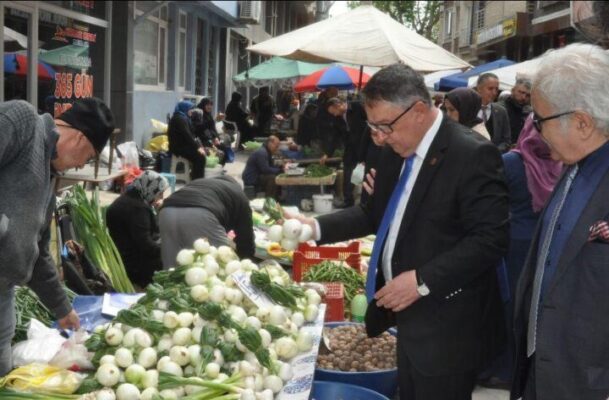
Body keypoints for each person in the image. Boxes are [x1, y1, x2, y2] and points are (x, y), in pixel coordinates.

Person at [295, 64, 509, 400]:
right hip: (404, 320)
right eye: (372, 127)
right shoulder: (395, 150)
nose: (378, 137)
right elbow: (373, 213)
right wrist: (316, 227)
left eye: (384, 127)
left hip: (447, 328)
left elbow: (490, 240)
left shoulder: (472, 154)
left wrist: (422, 280)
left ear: (419, 111)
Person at [512, 43, 609, 400]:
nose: (534, 131)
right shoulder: (571, 169)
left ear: (582, 122)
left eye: (540, 120)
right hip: (541, 371)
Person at [0, 97, 115, 375]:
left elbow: (37, 254)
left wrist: (62, 309)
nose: (79, 166)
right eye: (87, 158)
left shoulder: (49, 180)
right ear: (79, 138)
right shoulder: (23, 121)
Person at [158, 175, 255, 268]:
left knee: (172, 268)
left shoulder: (201, 182)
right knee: (218, 266)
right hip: (201, 214)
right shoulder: (238, 193)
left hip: (166, 212)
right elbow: (246, 236)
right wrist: (247, 263)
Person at [106, 171, 169, 287]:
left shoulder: (128, 198)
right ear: (150, 189)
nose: (160, 198)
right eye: (159, 194)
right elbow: (146, 245)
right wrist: (168, 250)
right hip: (134, 265)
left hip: (123, 256)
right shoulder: (137, 209)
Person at [325, 97, 369, 208]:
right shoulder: (337, 119)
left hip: (365, 146)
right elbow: (334, 137)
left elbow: (370, 122)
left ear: (339, 105)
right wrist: (327, 153)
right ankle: (348, 200)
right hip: (350, 149)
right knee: (348, 173)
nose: (334, 115)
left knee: (367, 173)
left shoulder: (357, 107)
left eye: (334, 111)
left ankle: (366, 200)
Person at [168, 100, 206, 180]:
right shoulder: (179, 119)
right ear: (185, 109)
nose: (192, 111)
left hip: (183, 145)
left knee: (202, 153)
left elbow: (192, 135)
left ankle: (196, 176)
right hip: (178, 148)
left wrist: (199, 146)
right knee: (200, 157)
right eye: (190, 109)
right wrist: (197, 148)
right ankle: (197, 180)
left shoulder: (184, 117)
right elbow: (187, 135)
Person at [476, 73, 512, 152]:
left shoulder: (501, 111)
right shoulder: (468, 109)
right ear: (479, 88)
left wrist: (494, 151)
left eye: (496, 89)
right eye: (490, 88)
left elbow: (506, 141)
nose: (494, 93)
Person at [501, 78, 532, 144]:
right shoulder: (499, 109)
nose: (524, 97)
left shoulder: (529, 113)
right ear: (513, 90)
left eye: (528, 95)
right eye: (521, 92)